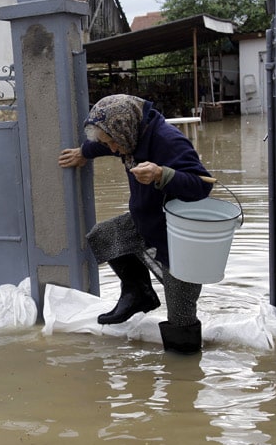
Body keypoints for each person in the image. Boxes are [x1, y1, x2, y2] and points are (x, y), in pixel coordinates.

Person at [58, 94, 213, 354]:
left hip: (177, 240)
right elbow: (107, 144)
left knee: (180, 320)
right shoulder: (129, 135)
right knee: (104, 235)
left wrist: (161, 174)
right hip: (146, 222)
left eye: (113, 143)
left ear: (125, 129)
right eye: (109, 143)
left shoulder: (168, 141)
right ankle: (138, 294)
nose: (114, 150)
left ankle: (184, 378)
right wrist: (84, 152)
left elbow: (201, 184)